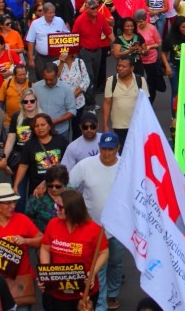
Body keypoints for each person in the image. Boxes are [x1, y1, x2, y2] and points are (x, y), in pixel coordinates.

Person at [69, 132, 125, 310]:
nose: (106, 153)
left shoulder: (127, 166)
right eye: (103, 148)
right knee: (97, 269)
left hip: (118, 228)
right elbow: (69, 187)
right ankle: (100, 305)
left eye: (110, 149)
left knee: (116, 263)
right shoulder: (85, 165)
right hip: (93, 229)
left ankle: (112, 294)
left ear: (118, 149)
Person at [39, 189, 108, 310]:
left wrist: (93, 273)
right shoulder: (53, 224)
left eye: (60, 207)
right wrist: (46, 274)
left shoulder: (94, 230)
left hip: (84, 291)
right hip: (58, 291)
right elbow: (45, 249)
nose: (56, 208)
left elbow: (104, 252)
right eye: (56, 205)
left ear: (72, 210)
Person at [0, 183, 42, 308]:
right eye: (7, 203)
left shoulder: (23, 220)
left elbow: (42, 240)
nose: (12, 206)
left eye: (13, 202)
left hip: (21, 278)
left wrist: (25, 241)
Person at [13, 113, 69, 198]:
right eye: (36, 126)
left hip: (57, 187)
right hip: (37, 190)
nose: (40, 128)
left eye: (43, 125)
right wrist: (16, 185)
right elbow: (23, 166)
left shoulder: (61, 140)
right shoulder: (29, 145)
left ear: (50, 126)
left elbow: (68, 162)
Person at [102, 56, 149, 146]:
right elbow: (107, 103)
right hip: (118, 126)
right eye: (118, 66)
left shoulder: (140, 81)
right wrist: (105, 125)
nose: (120, 68)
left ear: (132, 68)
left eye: (123, 66)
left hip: (136, 125)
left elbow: (145, 104)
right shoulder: (111, 81)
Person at [26, 3, 70, 80]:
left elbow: (66, 36)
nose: (52, 15)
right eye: (50, 13)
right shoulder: (35, 23)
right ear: (44, 13)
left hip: (56, 57)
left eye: (53, 12)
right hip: (41, 58)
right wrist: (30, 59)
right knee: (41, 79)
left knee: (56, 78)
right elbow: (30, 41)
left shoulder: (59, 21)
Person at [31, 62, 76, 137]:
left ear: (57, 76)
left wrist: (55, 121)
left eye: (51, 80)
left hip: (60, 131)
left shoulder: (66, 89)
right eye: (46, 79)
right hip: (40, 131)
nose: (48, 82)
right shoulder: (36, 87)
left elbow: (72, 111)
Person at [25, 164, 67, 232]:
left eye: (58, 186)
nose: (54, 189)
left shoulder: (71, 196)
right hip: (42, 237)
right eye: (50, 186)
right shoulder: (37, 197)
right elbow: (28, 220)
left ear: (64, 184)